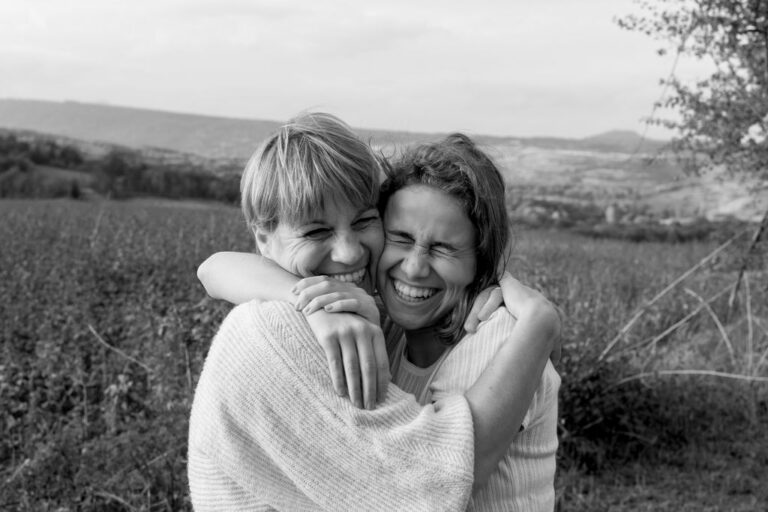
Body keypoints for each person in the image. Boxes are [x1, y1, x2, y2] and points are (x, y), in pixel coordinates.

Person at [189, 112, 560, 511]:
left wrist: (534, 321)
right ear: (263, 239)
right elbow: (438, 482)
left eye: (365, 221)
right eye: (315, 231)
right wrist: (306, 299)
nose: (349, 252)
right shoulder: (281, 327)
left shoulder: (415, 323)